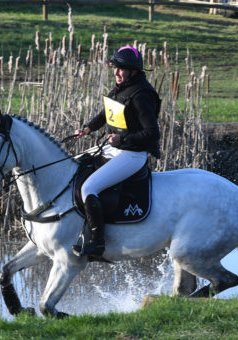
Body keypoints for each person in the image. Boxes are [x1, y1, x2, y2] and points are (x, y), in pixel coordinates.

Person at [72, 45, 161, 259]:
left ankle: (97, 243)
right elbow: (106, 113)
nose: (116, 73)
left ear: (133, 71)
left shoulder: (141, 95)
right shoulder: (120, 89)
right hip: (115, 148)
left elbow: (152, 133)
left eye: (121, 69)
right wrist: (88, 128)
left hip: (133, 155)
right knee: (75, 164)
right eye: (115, 68)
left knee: (89, 188)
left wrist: (123, 139)